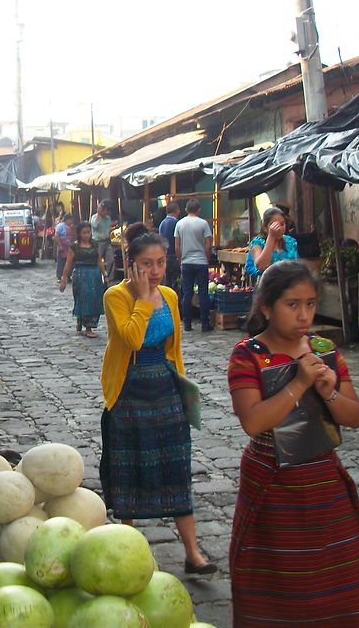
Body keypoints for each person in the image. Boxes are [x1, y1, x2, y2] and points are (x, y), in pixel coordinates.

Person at [227, 260, 359, 627]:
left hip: (324, 483)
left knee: (335, 580)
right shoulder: (248, 355)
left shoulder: (324, 349)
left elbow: (354, 416)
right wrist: (299, 384)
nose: (304, 314)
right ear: (266, 307)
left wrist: (329, 392)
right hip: (272, 484)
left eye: (310, 303)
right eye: (292, 304)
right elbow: (254, 421)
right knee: (276, 579)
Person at [98, 222, 215, 574]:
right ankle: (124, 551)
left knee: (176, 468)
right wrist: (145, 299)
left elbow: (173, 349)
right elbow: (132, 339)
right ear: (130, 263)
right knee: (128, 469)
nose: (154, 271)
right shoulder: (116, 297)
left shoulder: (172, 296)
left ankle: (193, 553)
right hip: (129, 392)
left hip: (164, 390)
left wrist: (182, 390)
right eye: (146, 263)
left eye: (160, 263)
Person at [59, 221, 106, 338]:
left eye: (88, 232)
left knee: (94, 298)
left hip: (94, 274)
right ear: (79, 234)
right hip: (81, 275)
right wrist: (64, 279)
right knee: (83, 299)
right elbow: (68, 264)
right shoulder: (74, 247)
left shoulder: (95, 245)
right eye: (84, 233)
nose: (87, 235)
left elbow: (99, 260)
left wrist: (104, 274)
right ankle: (86, 326)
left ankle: (88, 324)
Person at [174, 199, 213, 332]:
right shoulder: (203, 224)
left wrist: (180, 260)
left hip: (186, 262)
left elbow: (177, 246)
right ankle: (205, 323)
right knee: (203, 293)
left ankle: (187, 324)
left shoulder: (179, 224)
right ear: (199, 210)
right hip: (201, 262)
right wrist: (206, 259)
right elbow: (208, 244)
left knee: (187, 294)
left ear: (186, 210)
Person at [245, 206, 298, 278]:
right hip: (268, 284)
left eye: (282, 224)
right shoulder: (258, 243)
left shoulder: (290, 241)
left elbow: (296, 265)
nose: (279, 228)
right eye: (274, 225)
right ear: (265, 227)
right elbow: (261, 266)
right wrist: (271, 237)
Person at [158, 201, 181, 291]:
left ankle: (166, 302)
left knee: (167, 282)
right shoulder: (177, 224)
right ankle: (175, 302)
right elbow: (178, 242)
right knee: (176, 282)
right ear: (176, 210)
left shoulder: (162, 224)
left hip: (164, 256)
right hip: (174, 256)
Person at [90, 200, 114, 282]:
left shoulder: (108, 218)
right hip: (98, 242)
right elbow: (95, 226)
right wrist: (98, 214)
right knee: (98, 260)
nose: (106, 212)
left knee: (111, 260)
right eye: (105, 210)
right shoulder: (94, 217)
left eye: (108, 210)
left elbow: (108, 229)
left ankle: (109, 278)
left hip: (107, 241)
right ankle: (98, 277)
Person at [54, 214, 76, 281]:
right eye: (70, 220)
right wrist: (60, 246)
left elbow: (74, 236)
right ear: (67, 220)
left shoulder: (72, 227)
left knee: (70, 262)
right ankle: (59, 276)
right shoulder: (60, 226)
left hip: (69, 247)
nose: (71, 221)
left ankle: (68, 276)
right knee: (61, 262)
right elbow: (56, 236)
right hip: (63, 246)